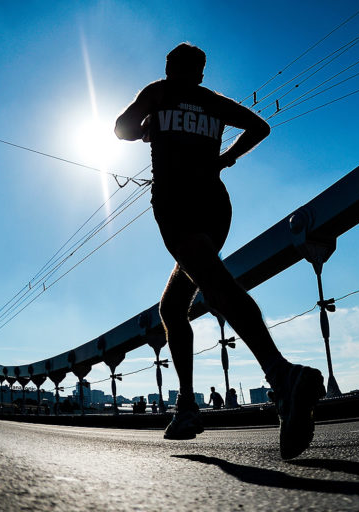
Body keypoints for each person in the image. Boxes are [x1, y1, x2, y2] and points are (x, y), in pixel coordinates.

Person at [115, 43, 326, 459]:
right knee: (174, 307)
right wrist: (225, 158)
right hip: (216, 207)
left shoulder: (156, 92)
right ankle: (188, 408)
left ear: (170, 68)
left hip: (176, 205)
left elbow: (120, 129)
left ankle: (283, 377)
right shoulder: (214, 102)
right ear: (201, 73)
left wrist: (145, 129)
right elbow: (260, 128)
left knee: (213, 285)